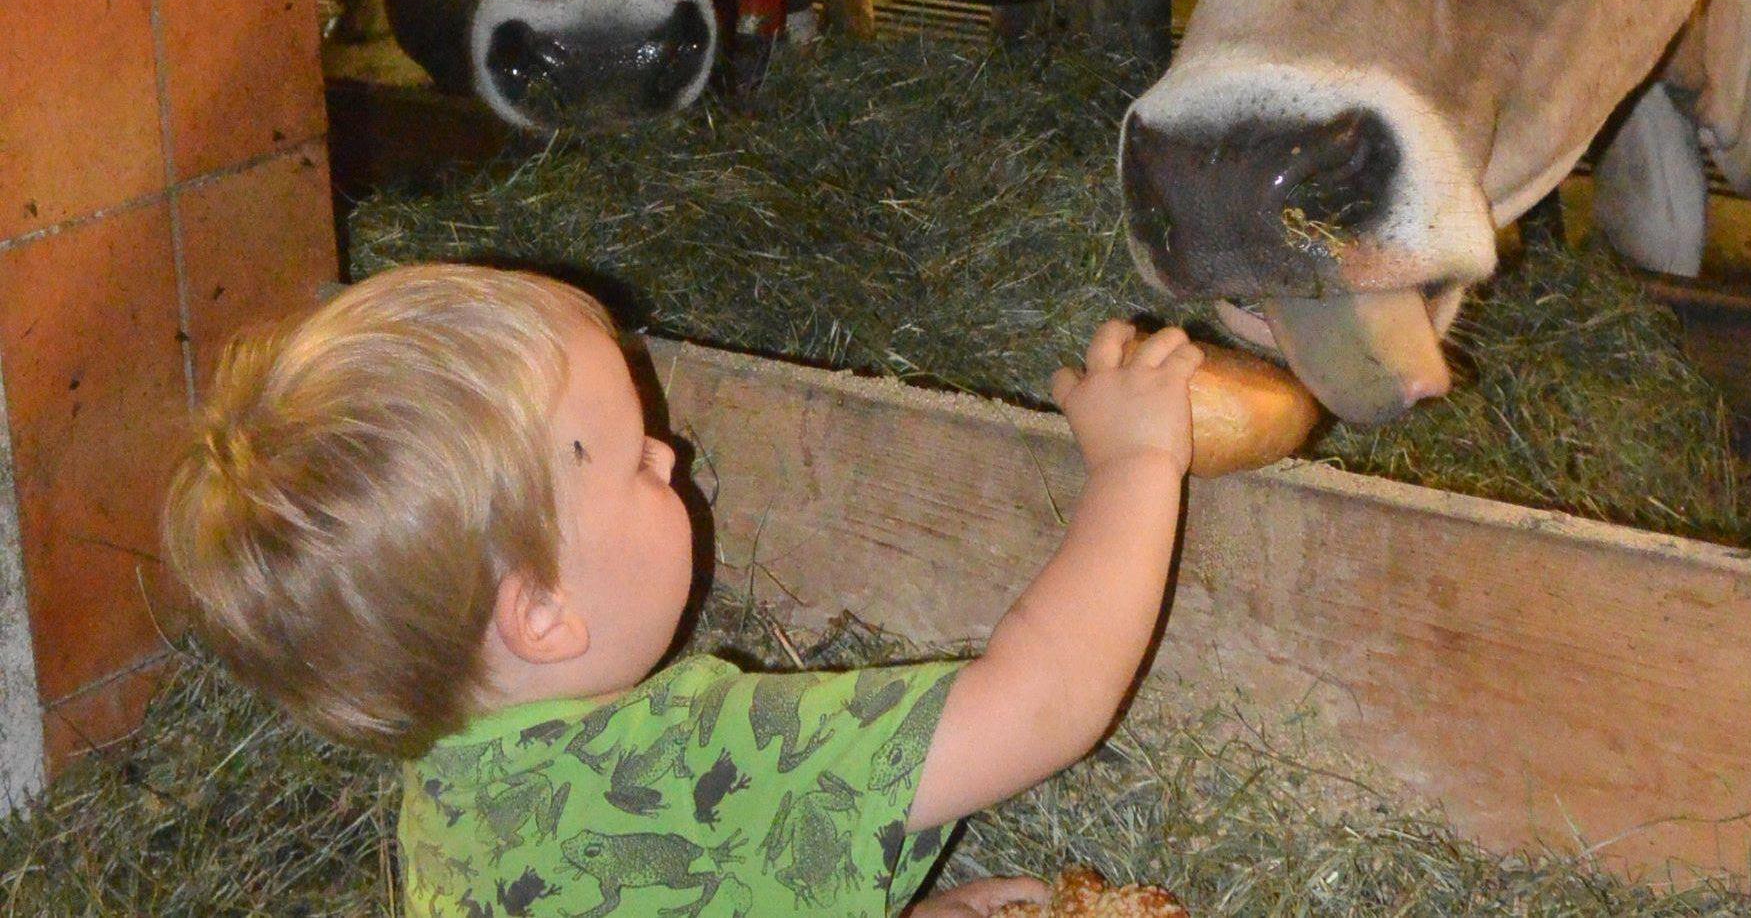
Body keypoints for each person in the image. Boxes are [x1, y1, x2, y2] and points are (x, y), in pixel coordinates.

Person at [162, 264, 1201, 918]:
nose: (671, 455)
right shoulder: (707, 757)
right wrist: (1135, 464)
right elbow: (1043, 699)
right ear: (542, 612)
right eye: (631, 461)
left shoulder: (451, 802)